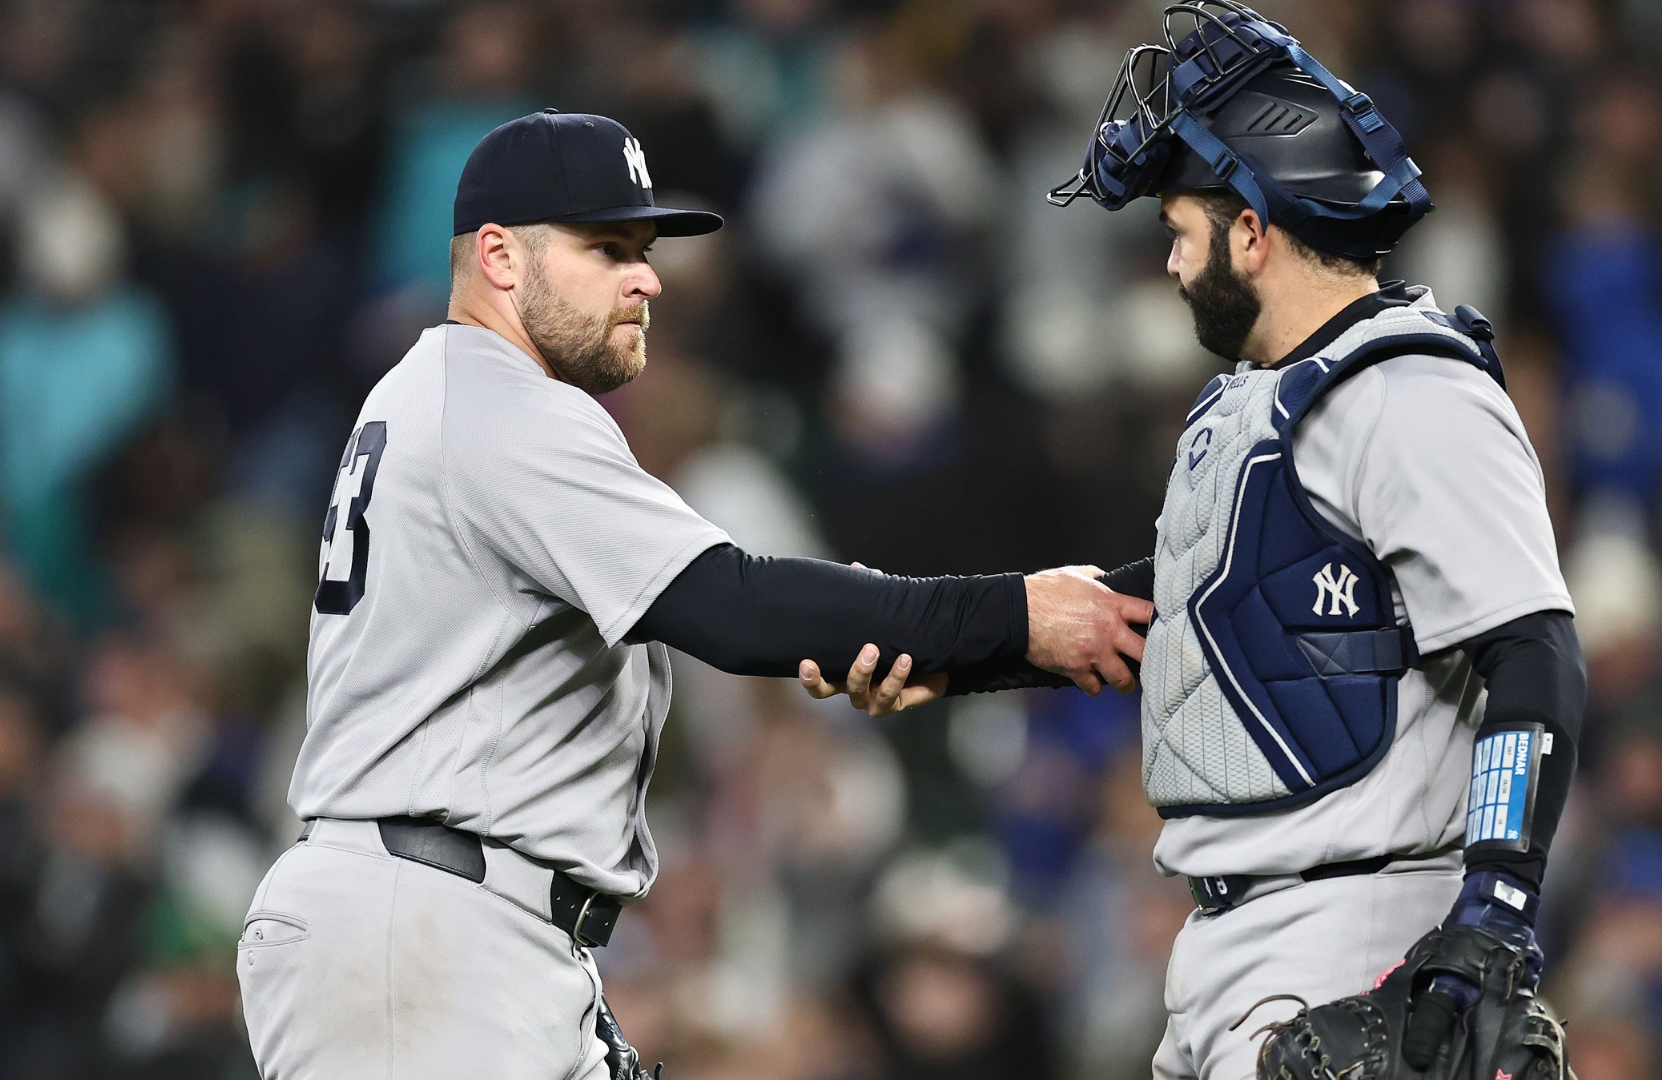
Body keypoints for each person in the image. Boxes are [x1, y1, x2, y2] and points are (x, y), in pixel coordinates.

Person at [233, 109, 1152, 1080]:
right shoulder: (496, 403)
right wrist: (1017, 616)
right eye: (607, 249)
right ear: (499, 257)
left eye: (644, 249)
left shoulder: (442, 394)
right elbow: (738, 609)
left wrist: (990, 646)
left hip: (467, 928)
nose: (648, 279)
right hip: (425, 931)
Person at [804, 6, 1587, 1080]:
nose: (1171, 266)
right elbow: (1190, 608)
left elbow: (1531, 652)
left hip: (1354, 920)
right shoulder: (1249, 406)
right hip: (1229, 937)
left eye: (1181, 230)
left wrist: (1495, 903)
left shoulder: (1414, 389)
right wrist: (946, 651)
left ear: (1254, 231)